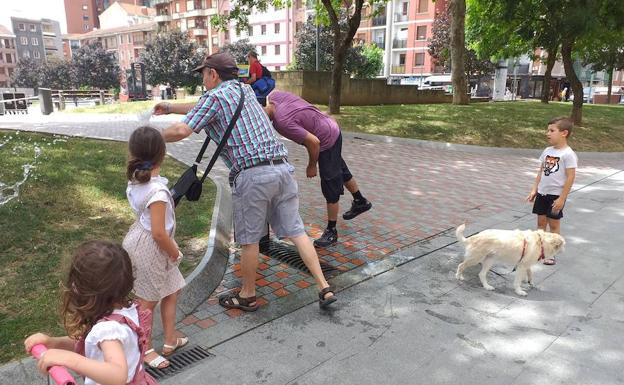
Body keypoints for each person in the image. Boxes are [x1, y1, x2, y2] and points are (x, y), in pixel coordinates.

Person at [153, 52, 336, 311]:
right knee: (297, 232)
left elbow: (183, 129)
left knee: (250, 239)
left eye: (203, 74)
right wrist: (170, 107)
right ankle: (324, 287)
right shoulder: (245, 91)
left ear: (213, 74)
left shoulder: (215, 97)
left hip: (253, 176)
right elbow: (202, 106)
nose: (203, 79)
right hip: (282, 169)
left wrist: (151, 137)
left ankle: (247, 294)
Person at [24, 241, 158, 385]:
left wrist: (70, 359)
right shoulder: (125, 313)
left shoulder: (107, 329)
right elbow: (90, 344)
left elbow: (118, 375)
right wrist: (54, 343)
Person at [264, 90, 372, 248]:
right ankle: (360, 201)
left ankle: (332, 231)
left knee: (330, 184)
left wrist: (311, 165)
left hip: (326, 139)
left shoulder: (281, 123)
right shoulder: (275, 95)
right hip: (330, 125)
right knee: (340, 169)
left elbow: (313, 142)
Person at [123, 126, 188, 369]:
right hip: (152, 248)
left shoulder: (138, 180)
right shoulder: (157, 192)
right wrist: (174, 252)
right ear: (162, 154)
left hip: (144, 240)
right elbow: (159, 233)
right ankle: (145, 349)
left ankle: (170, 338)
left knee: (172, 289)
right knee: (146, 302)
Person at [526, 117, 577, 265]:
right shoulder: (547, 150)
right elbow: (541, 171)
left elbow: (570, 177)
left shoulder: (568, 154)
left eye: (551, 130)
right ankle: (539, 249)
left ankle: (551, 252)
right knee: (541, 222)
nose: (547, 133)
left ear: (564, 133)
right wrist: (534, 189)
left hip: (556, 196)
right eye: (548, 130)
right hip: (542, 193)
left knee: (554, 225)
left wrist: (562, 198)